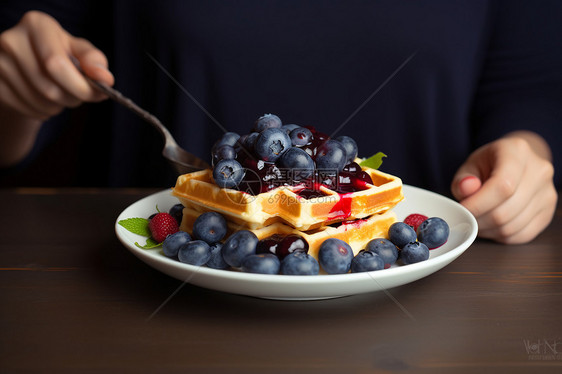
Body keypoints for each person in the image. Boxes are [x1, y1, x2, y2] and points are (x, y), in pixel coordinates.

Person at [0, 1, 560, 245]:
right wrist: (18, 93)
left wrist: (523, 150)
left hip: (435, 300)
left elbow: (530, 85)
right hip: (145, 301)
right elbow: (36, 52)